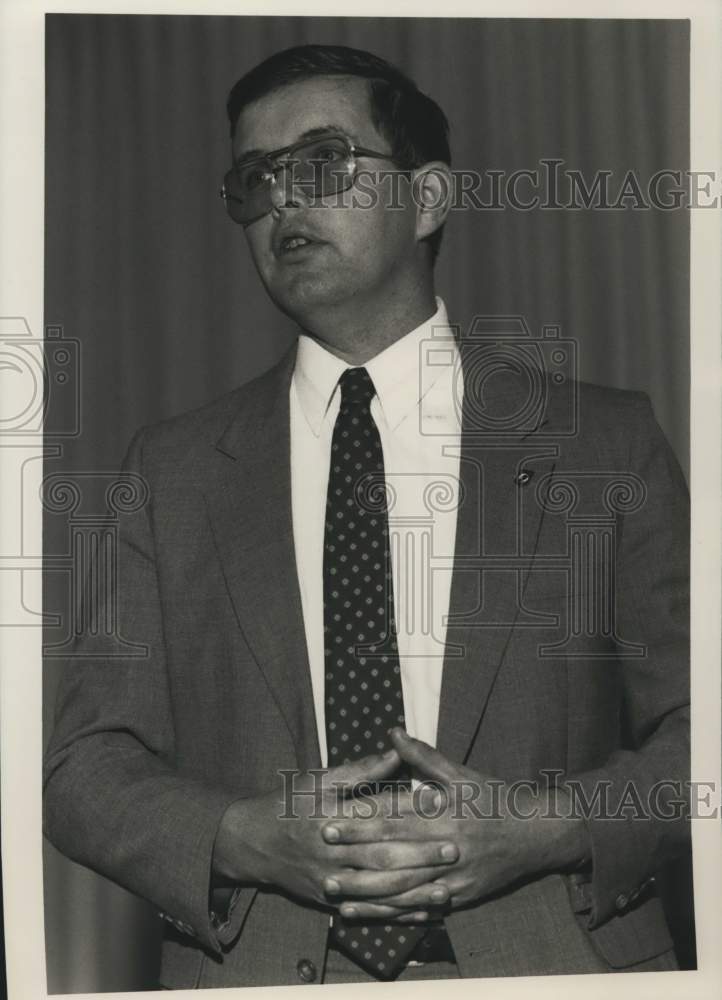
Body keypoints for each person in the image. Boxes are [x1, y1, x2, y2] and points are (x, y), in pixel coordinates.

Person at [43, 44, 690, 988]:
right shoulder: (170, 469)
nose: (281, 202)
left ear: (428, 199)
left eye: (320, 165)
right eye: (254, 178)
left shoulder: (606, 444)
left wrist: (553, 827)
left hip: (559, 961)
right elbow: (83, 771)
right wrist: (242, 838)